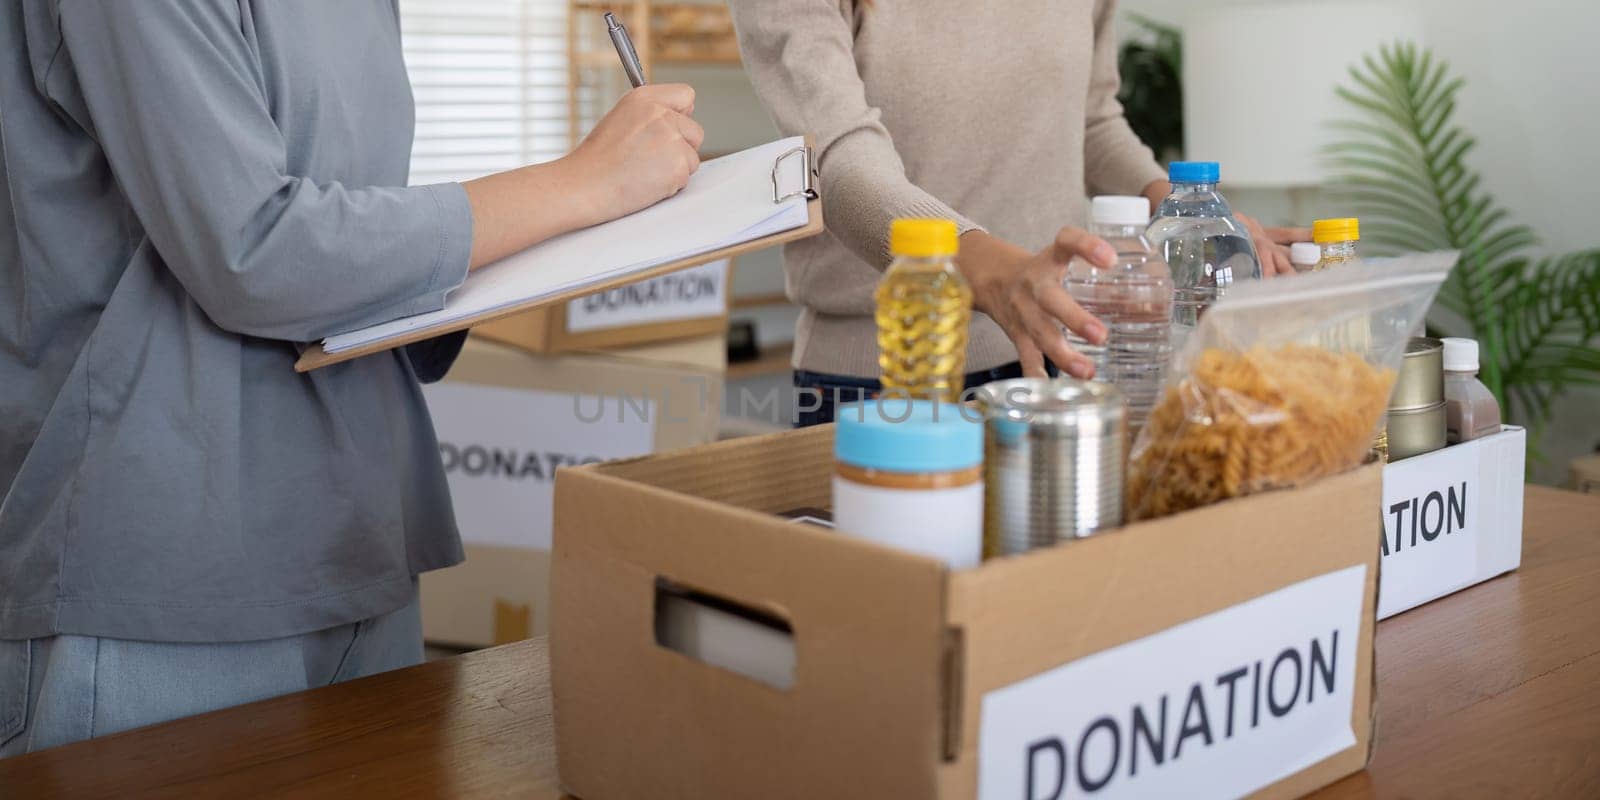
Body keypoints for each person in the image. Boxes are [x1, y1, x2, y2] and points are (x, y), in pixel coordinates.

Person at [0, 0, 701, 755]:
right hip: (169, 568)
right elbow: (254, 251)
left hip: (360, 536)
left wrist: (563, 228)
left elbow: (346, 235)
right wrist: (579, 185)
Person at [728, 0, 1305, 426]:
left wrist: (1194, 215)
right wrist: (986, 267)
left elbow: (1092, 120)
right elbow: (837, 158)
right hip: (883, 385)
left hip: (1053, 365)